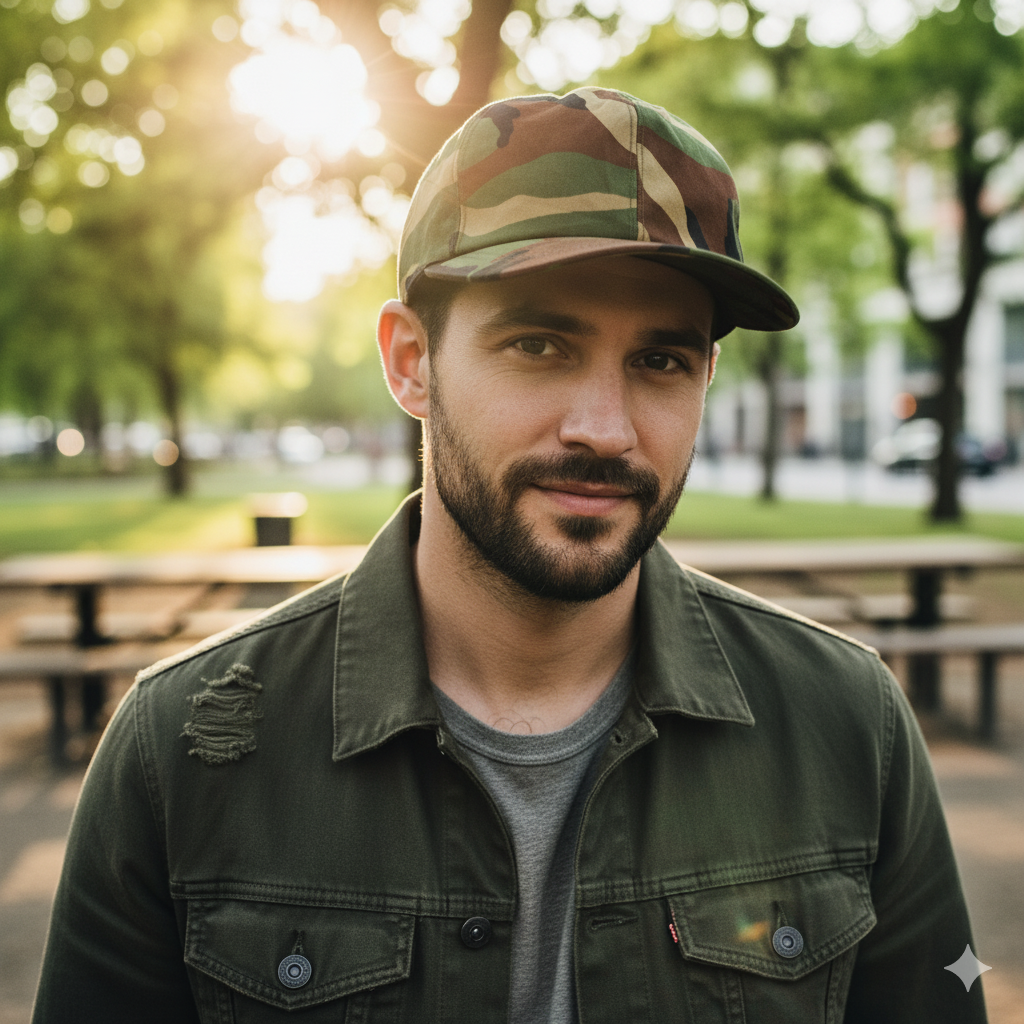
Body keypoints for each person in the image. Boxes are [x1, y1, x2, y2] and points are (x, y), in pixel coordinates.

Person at [34, 87, 986, 1024]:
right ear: (412, 361)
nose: (604, 430)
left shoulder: (848, 726)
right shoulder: (186, 755)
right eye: (539, 344)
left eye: (661, 362)